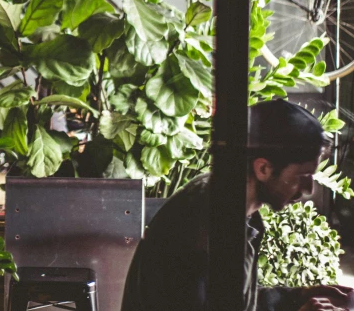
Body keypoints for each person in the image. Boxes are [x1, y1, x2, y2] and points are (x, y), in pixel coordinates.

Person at [122, 99, 353, 311]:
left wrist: (296, 297)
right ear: (263, 169)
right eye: (303, 176)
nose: (309, 190)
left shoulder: (231, 203)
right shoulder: (206, 233)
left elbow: (231, 299)